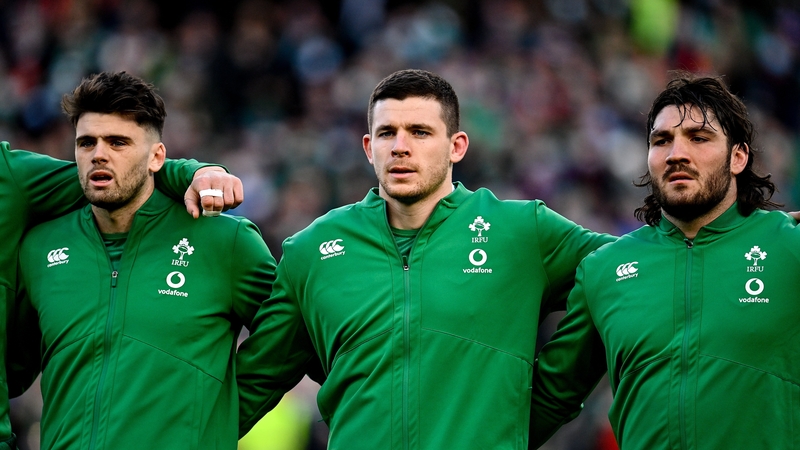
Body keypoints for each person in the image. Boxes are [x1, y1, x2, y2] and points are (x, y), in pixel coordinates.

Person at [235, 68, 615, 449]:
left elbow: (628, 273)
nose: (400, 146)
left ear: (457, 146)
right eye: (387, 133)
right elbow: (244, 391)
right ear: (369, 148)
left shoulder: (521, 231)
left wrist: (550, 398)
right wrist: (181, 177)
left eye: (420, 132)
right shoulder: (313, 250)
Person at [529, 74, 799, 449]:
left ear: (738, 157)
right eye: (661, 141)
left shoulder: (790, 248)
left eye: (698, 138)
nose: (676, 154)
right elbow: (548, 400)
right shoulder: (604, 269)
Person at [8, 71, 276, 449]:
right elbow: (10, 371)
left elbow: (289, 336)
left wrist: (218, 411)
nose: (98, 153)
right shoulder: (39, 249)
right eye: (86, 143)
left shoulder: (224, 240)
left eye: (117, 142)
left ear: (157, 158)